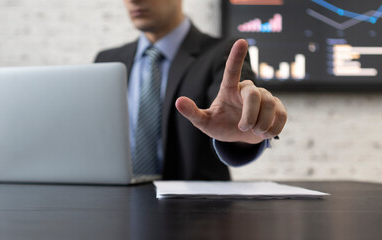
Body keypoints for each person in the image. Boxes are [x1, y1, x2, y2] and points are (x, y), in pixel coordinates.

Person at [95, 0, 287, 180]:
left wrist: (245, 126)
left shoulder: (222, 53)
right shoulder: (106, 60)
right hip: (115, 204)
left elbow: (234, 110)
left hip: (196, 210)